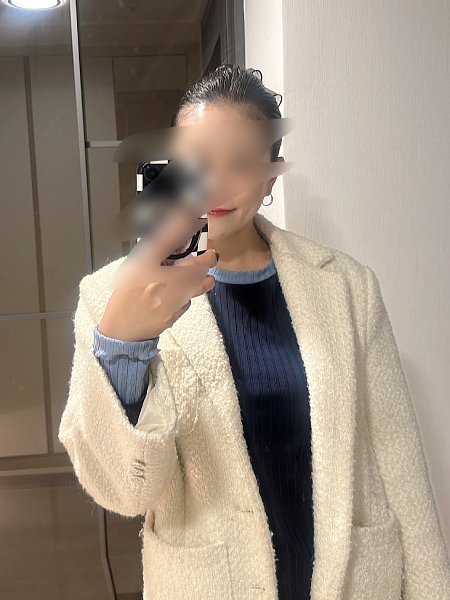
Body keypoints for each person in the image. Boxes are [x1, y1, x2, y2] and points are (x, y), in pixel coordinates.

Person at [58, 65, 450, 600]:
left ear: (271, 176)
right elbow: (125, 493)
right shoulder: (112, 296)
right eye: (198, 161)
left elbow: (400, 462)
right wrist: (123, 347)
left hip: (354, 580)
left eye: (241, 162)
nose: (216, 183)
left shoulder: (347, 286)